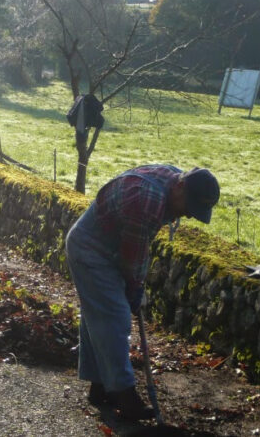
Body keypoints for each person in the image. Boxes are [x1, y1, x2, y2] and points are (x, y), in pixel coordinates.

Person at [65, 165, 219, 420]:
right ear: (181, 186)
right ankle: (125, 395)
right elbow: (132, 257)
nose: (189, 215)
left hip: (110, 246)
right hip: (90, 247)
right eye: (189, 206)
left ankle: (100, 386)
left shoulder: (173, 181)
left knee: (99, 317)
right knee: (115, 317)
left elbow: (136, 247)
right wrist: (135, 288)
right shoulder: (148, 199)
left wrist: (135, 286)